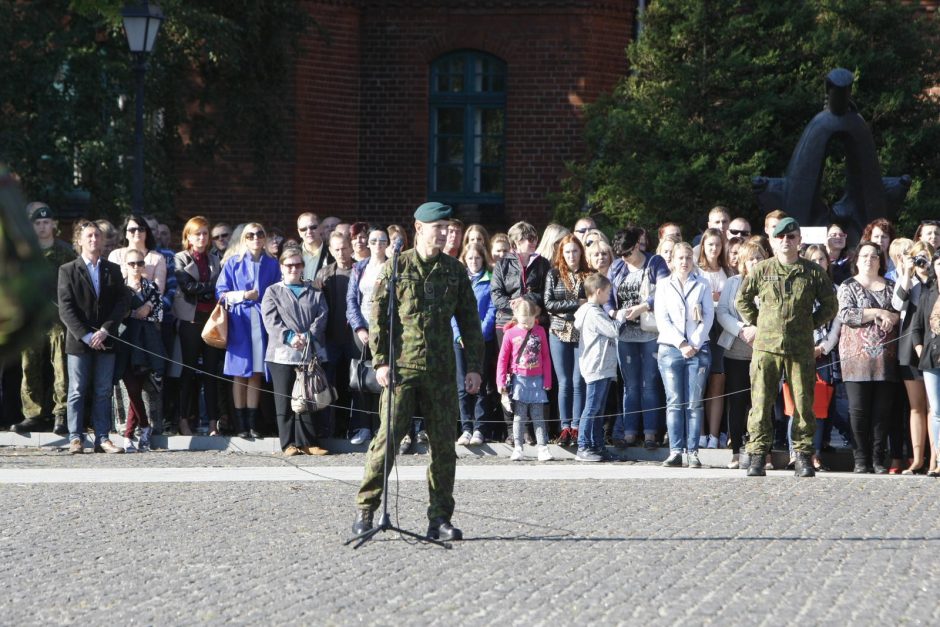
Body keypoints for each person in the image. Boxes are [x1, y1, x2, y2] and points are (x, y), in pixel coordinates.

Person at [352, 201, 484, 542]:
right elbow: (378, 317)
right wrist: (380, 361)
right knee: (387, 440)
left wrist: (473, 367)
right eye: (437, 227)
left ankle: (439, 517)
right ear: (419, 228)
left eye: (447, 227)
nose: (443, 233)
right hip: (401, 369)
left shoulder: (454, 270)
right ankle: (366, 510)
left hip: (441, 371)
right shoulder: (397, 266)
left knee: (443, 447)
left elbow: (470, 322)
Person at [738, 217, 838, 477]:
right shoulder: (762, 269)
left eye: (791, 237)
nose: (786, 241)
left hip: (800, 347)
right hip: (766, 347)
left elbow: (830, 305)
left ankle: (803, 455)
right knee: (760, 403)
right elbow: (743, 300)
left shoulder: (813, 271)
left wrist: (809, 325)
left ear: (799, 241)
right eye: (780, 237)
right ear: (772, 241)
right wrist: (758, 322)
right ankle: (758, 455)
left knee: (804, 404)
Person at [58, 220, 130, 454]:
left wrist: (106, 330)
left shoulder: (113, 269)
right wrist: (86, 335)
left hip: (106, 338)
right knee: (77, 389)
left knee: (103, 390)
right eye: (89, 236)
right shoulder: (68, 270)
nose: (93, 240)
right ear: (79, 240)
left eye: (97, 236)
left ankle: (102, 437)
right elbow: (65, 308)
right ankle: (76, 437)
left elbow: (122, 302)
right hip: (80, 342)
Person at [10, 202, 76, 435]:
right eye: (37, 223)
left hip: (59, 319)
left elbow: (76, 282)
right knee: (30, 367)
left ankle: (62, 413)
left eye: (46, 222)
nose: (42, 227)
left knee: (61, 366)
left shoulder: (66, 251)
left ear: (54, 224)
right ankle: (34, 414)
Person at [261, 246, 330, 456]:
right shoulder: (273, 291)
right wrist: (290, 337)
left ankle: (308, 442)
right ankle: (288, 443)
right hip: (282, 354)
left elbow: (322, 315)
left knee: (308, 398)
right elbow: (271, 321)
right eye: (289, 265)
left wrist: (308, 336)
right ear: (282, 267)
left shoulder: (315, 291)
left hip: (309, 352)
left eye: (298, 264)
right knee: (284, 400)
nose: (294, 268)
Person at [838, 241, 899, 474]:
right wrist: (877, 312)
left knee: (882, 412)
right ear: (856, 259)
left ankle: (878, 458)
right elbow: (846, 314)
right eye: (864, 256)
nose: (869, 260)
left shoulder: (891, 286)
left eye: (874, 256)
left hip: (886, 358)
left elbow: (901, 312)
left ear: (880, 260)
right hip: (856, 359)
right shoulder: (847, 286)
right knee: (858, 410)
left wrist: (892, 317)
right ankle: (860, 459)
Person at [216, 223, 280, 438]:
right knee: (239, 373)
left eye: (260, 234)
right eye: (250, 235)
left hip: (261, 322)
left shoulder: (272, 264)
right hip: (239, 322)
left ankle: (253, 423)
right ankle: (240, 424)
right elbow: (221, 292)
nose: (255, 238)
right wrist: (243, 295)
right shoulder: (233, 263)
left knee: (256, 373)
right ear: (244, 238)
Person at [491, 221, 551, 443]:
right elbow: (496, 295)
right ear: (516, 242)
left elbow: (546, 293)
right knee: (508, 374)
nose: (533, 241)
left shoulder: (542, 264)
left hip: (534, 323)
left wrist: (526, 301)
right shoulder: (502, 265)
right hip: (507, 323)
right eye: (528, 238)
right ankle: (512, 430)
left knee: (533, 373)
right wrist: (512, 304)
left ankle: (538, 430)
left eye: (534, 237)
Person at [655, 242, 713, 468]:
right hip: (671, 349)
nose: (684, 262)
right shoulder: (663, 285)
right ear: (672, 260)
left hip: (698, 349)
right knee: (674, 401)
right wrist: (681, 343)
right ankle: (676, 450)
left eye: (688, 257)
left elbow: (708, 316)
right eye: (680, 258)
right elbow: (662, 319)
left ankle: (693, 451)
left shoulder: (702, 284)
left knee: (694, 402)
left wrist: (695, 342)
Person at [608, 226, 661, 449]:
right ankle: (629, 433)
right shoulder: (617, 267)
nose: (625, 258)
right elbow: (607, 297)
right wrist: (612, 312)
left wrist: (643, 307)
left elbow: (664, 289)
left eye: (628, 253)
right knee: (630, 386)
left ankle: (650, 434)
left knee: (649, 384)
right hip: (625, 334)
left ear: (637, 245)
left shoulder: (654, 262)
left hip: (649, 333)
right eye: (621, 255)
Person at [173, 216, 224, 436]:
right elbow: (187, 287)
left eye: (205, 233)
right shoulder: (181, 258)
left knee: (211, 373)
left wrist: (205, 288)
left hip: (211, 320)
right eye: (197, 234)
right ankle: (184, 420)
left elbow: (219, 286)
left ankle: (213, 422)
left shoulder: (214, 259)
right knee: (189, 371)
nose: (202, 237)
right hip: (190, 320)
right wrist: (207, 288)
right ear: (188, 237)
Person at [717, 240, 765, 469]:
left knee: (761, 403)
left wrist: (759, 330)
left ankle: (762, 452)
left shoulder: (770, 282)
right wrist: (741, 329)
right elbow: (723, 312)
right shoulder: (732, 283)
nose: (755, 262)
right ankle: (736, 450)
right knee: (736, 402)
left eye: (758, 258)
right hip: (736, 350)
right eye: (751, 259)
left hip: (763, 350)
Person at [115, 249, 165, 453]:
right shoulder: (120, 288)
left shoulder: (151, 287)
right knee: (132, 389)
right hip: (125, 343)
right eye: (132, 263)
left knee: (138, 388)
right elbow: (117, 314)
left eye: (140, 263)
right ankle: (142, 427)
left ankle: (129, 435)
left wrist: (147, 312)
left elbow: (160, 314)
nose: (136, 267)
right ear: (125, 266)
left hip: (145, 345)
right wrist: (134, 313)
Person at [544, 234, 591, 446]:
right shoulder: (554, 274)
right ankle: (564, 428)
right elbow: (549, 304)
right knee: (564, 382)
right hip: (558, 332)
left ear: (581, 252)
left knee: (578, 381)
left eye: (575, 251)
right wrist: (575, 303)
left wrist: (579, 303)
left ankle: (577, 426)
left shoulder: (588, 275)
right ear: (561, 254)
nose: (571, 255)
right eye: (567, 252)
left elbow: (591, 301)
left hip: (581, 332)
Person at [893, 241, 936, 474]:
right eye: (917, 258)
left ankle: (934, 460)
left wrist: (931, 274)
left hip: (933, 347)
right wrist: (907, 274)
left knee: (934, 407)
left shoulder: (935, 283)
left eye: (925, 258)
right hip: (909, 346)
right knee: (916, 407)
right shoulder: (908, 282)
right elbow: (897, 303)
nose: (922, 263)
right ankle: (917, 459)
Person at [346, 226, 390, 445]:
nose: (377, 245)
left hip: (385, 331)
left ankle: (381, 427)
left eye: (382, 241)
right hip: (362, 331)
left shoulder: (394, 267)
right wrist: (360, 328)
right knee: (361, 379)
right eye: (373, 241)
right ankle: (363, 426)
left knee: (382, 379)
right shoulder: (359, 268)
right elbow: (351, 301)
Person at [573, 273, 623, 462]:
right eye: (608, 292)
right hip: (596, 366)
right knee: (592, 408)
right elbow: (613, 330)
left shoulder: (596, 310)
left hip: (602, 366)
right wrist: (623, 317)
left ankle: (597, 446)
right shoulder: (593, 312)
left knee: (599, 409)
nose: (609, 296)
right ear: (599, 291)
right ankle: (583, 446)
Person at [496, 298, 553, 462]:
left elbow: (546, 357)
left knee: (538, 416)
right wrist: (500, 382)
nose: (528, 323)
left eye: (530, 320)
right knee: (519, 417)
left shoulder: (540, 331)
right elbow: (502, 360)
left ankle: (543, 447)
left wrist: (547, 379)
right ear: (515, 316)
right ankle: (518, 447)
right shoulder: (510, 333)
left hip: (537, 380)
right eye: (524, 320)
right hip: (519, 380)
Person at [314, 231, 358, 438]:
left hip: (355, 339)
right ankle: (330, 429)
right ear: (330, 251)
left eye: (344, 248)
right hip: (331, 339)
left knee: (354, 385)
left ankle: (354, 427)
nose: (341, 252)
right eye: (337, 249)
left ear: (351, 247)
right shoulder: (324, 274)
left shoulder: (361, 270)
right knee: (330, 385)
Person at [455, 242, 496, 446]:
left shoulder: (489, 281)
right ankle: (466, 427)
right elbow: (452, 310)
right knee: (462, 384)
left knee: (480, 384)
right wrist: (458, 334)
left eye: (477, 258)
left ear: (483, 259)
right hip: (460, 341)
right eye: (470, 258)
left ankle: (480, 427)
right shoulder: (460, 280)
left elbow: (491, 310)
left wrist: (477, 334)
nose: (474, 262)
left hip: (482, 340)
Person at [697, 227, 730, 448]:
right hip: (701, 329)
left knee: (717, 383)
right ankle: (699, 433)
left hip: (722, 329)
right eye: (710, 245)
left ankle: (715, 435)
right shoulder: (696, 271)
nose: (714, 249)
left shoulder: (727, 270)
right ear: (703, 246)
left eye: (718, 245)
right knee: (698, 384)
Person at [910, 250, 940, 476]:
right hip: (932, 358)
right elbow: (917, 327)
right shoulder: (928, 292)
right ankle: (938, 459)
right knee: (937, 411)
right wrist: (921, 350)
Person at [109, 214, 167, 295]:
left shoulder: (157, 258)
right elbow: (111, 286)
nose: (137, 232)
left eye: (141, 229)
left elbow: (158, 291)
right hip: (120, 303)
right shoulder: (115, 255)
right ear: (126, 233)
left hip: (148, 305)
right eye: (132, 230)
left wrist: (146, 307)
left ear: (146, 232)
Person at [297, 212, 334, 281]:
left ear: (321, 228)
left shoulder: (332, 254)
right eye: (303, 229)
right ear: (299, 232)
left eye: (313, 227)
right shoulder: (292, 254)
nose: (309, 231)